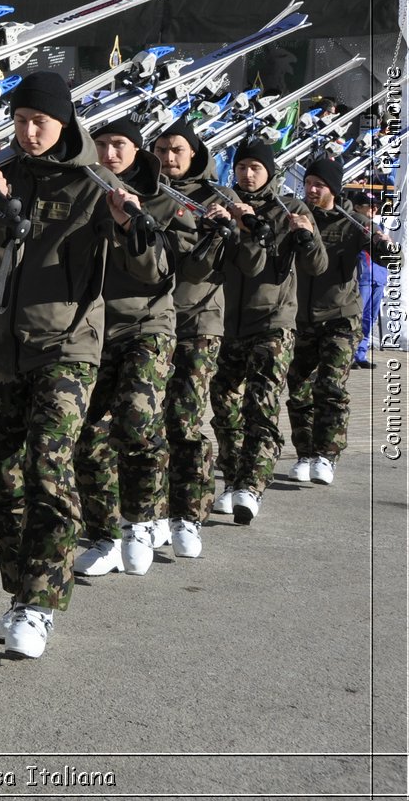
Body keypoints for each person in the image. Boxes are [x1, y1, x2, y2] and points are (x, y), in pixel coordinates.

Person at [0, 72, 165, 660]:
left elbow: (151, 272)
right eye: (21, 119)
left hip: (66, 348)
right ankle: (19, 590)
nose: (29, 133)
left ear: (64, 123)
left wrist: (131, 226)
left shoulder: (94, 185)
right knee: (4, 485)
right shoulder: (0, 176)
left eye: (41, 122)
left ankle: (40, 604)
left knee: (49, 468)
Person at [73, 118, 208, 578]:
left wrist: (132, 222)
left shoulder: (166, 200)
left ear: (136, 151)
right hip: (90, 327)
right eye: (103, 144)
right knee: (88, 437)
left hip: (147, 325)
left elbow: (167, 268)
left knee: (136, 421)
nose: (110, 153)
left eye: (120, 145)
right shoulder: (82, 191)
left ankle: (142, 519)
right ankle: (105, 533)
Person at [151, 118, 259, 559]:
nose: (168, 158)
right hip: (144, 322)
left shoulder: (221, 198)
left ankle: (187, 514)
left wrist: (238, 226)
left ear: (195, 153)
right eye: (160, 149)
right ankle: (149, 511)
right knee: (142, 424)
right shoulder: (143, 191)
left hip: (198, 323)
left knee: (185, 420)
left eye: (177, 149)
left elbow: (250, 264)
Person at [209, 141, 326, 525]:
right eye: (241, 166)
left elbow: (317, 265)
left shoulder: (291, 209)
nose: (247, 174)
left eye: (256, 167)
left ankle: (251, 486)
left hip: (273, 322)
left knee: (260, 405)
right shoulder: (223, 204)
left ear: (271, 172)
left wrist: (306, 235)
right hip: (228, 322)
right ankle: (232, 477)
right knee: (224, 406)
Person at [286, 158, 396, 485]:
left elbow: (386, 256)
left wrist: (385, 247)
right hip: (300, 318)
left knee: (331, 387)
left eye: (319, 184)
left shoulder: (354, 222)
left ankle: (326, 454)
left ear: (333, 187)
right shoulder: (295, 217)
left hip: (340, 318)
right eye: (308, 183)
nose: (312, 190)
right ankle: (305, 453)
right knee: (299, 391)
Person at [352, 188, 390, 368]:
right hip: (363, 277)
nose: (374, 210)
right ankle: (350, 355)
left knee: (369, 318)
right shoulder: (354, 225)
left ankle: (360, 354)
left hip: (378, 278)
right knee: (356, 317)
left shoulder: (378, 228)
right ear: (358, 207)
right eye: (370, 206)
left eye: (376, 207)